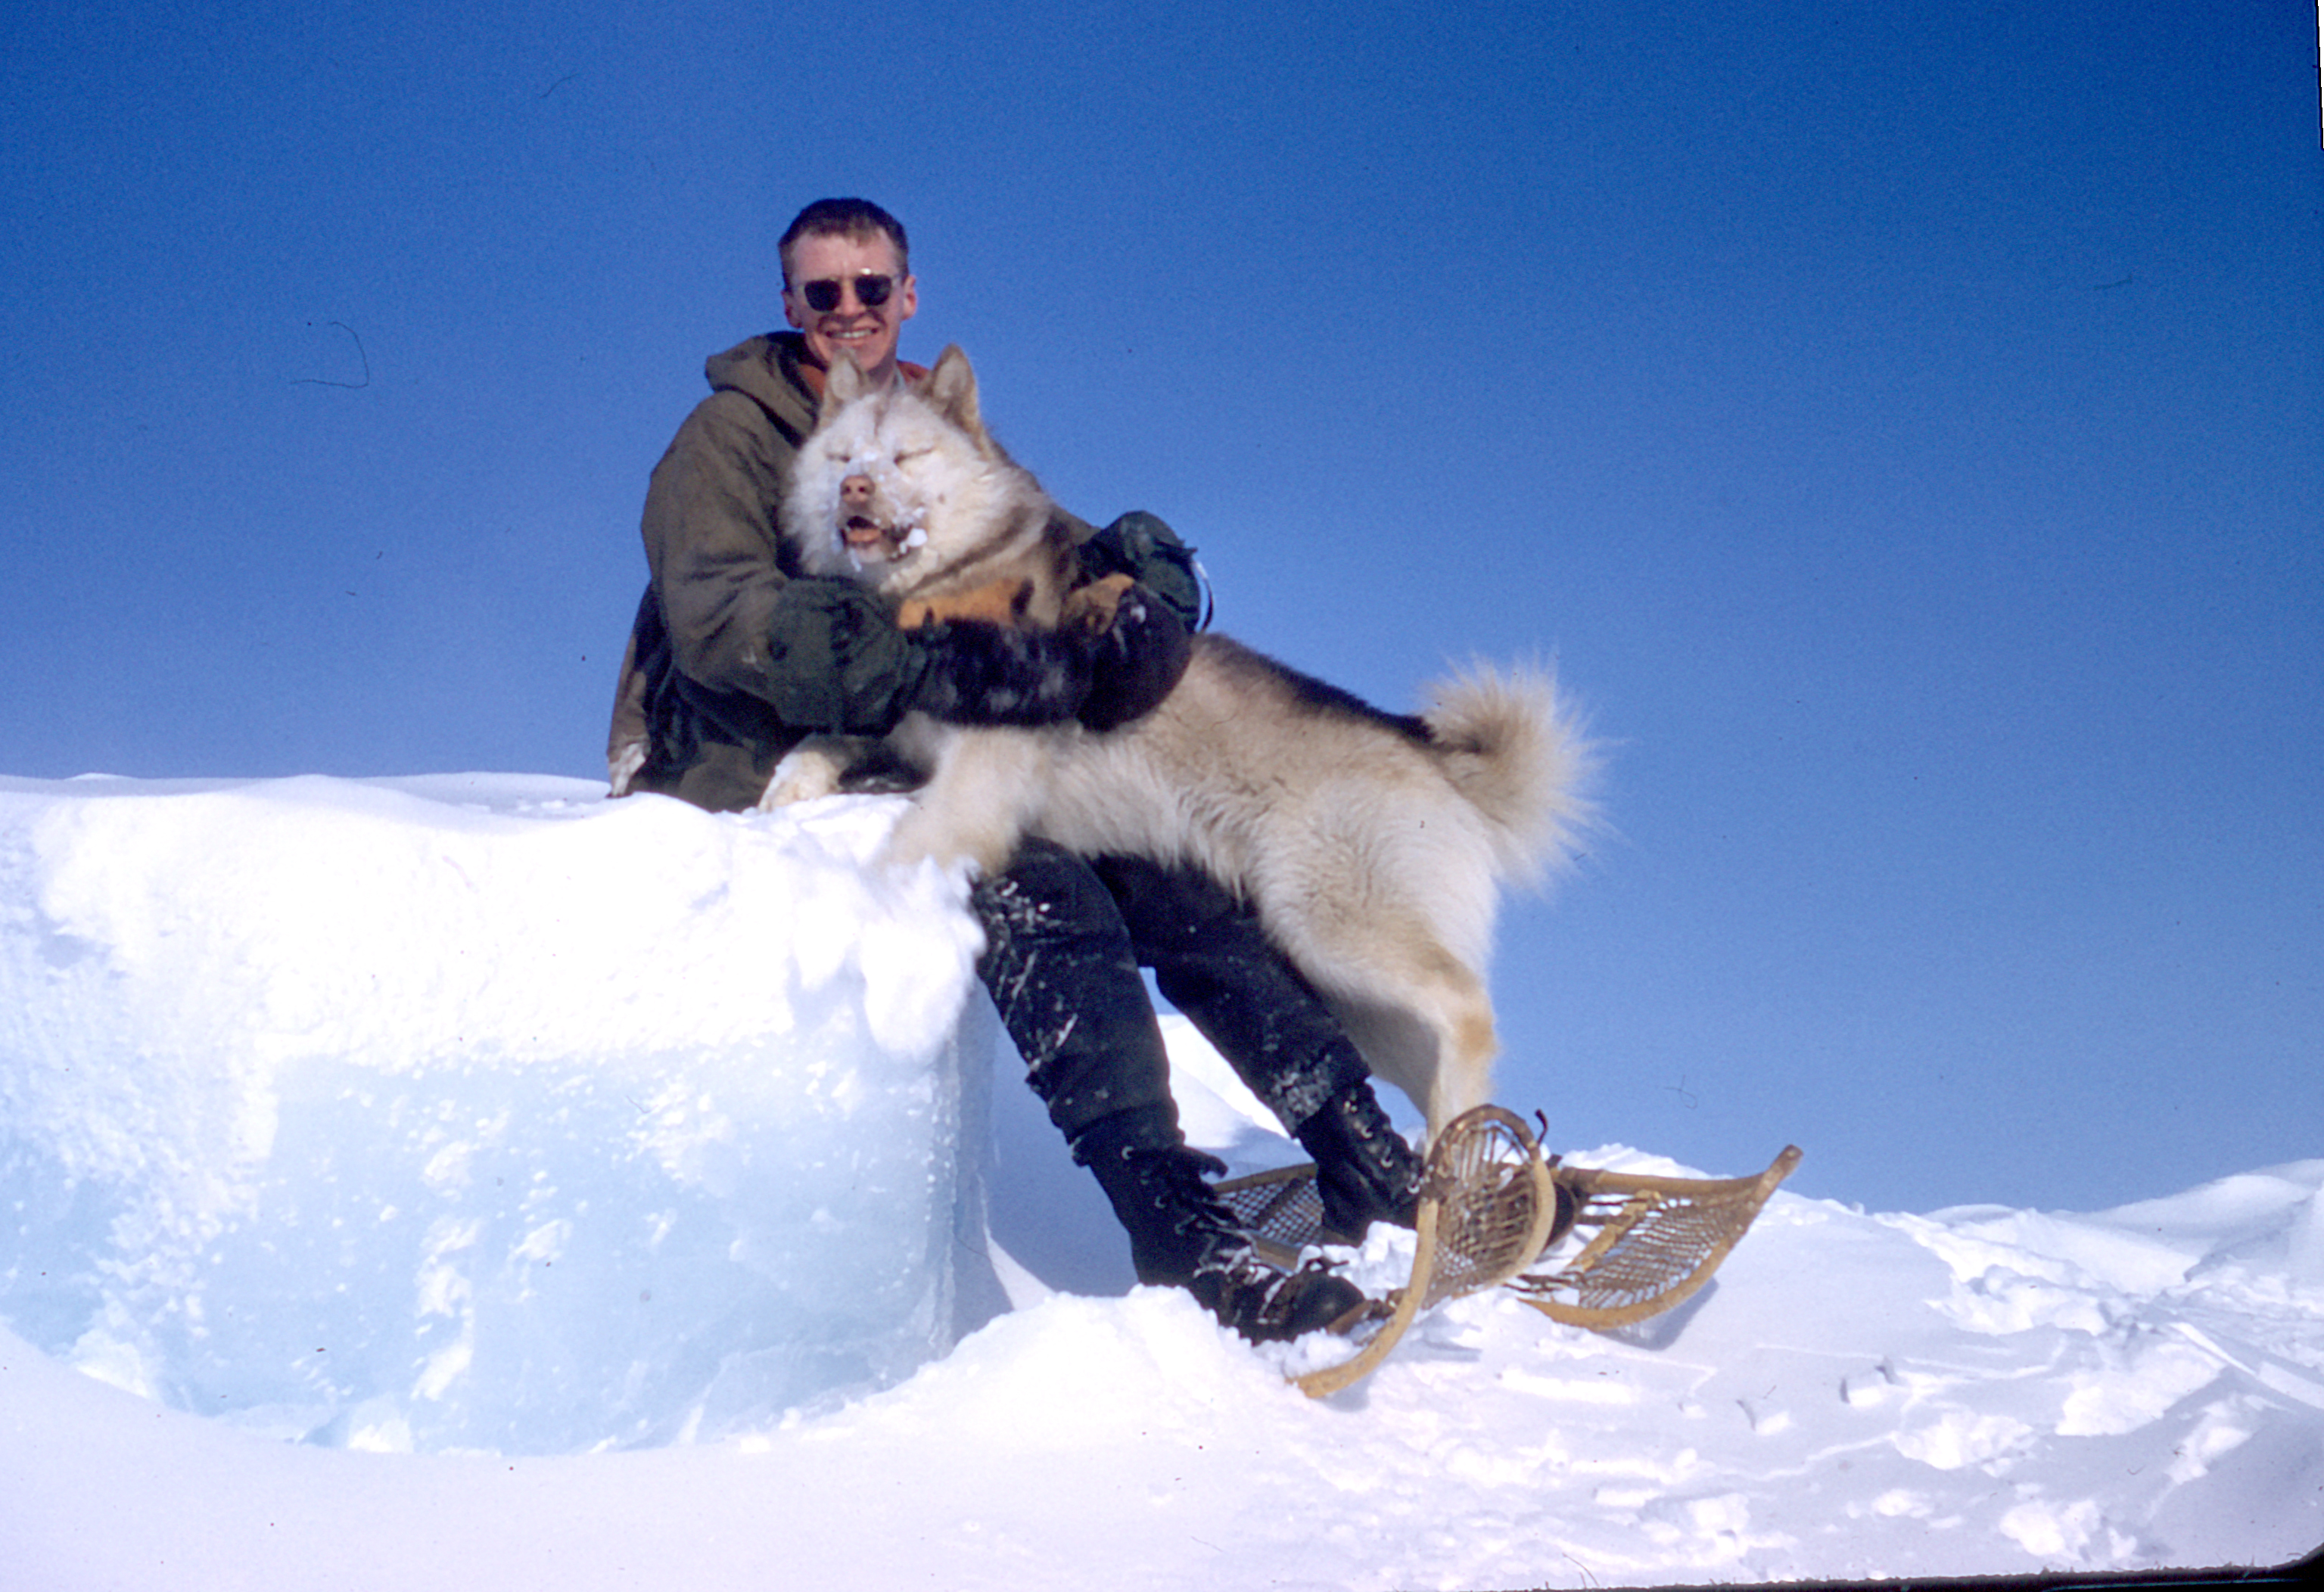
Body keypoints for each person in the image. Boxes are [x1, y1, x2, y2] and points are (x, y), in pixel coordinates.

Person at [606, 197, 1424, 1342]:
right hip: (757, 757)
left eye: (872, 288)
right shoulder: (729, 438)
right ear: (788, 304)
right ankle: (1178, 1230)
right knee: (1040, 882)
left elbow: (1044, 546)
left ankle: (1364, 1155)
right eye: (823, 292)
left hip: (923, 735)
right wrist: (925, 653)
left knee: (1163, 868)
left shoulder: (930, 420)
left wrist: (1139, 586)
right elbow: (720, 616)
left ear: (908, 295)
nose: (850, 311)